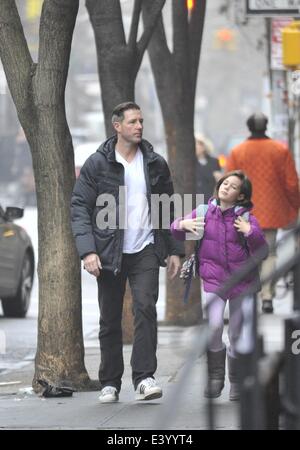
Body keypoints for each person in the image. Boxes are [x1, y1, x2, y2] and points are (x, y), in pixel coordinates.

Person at [71, 102, 184, 403]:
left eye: (141, 121)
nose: (139, 126)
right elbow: (80, 206)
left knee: (145, 308)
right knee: (109, 318)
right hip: (109, 251)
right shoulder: (97, 164)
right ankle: (110, 381)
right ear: (117, 126)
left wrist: (174, 249)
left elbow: (166, 208)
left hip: (145, 247)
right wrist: (87, 252)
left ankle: (145, 377)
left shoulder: (155, 163)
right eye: (133, 121)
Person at [171, 171, 268, 400]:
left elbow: (262, 251)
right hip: (214, 281)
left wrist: (250, 232)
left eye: (233, 186)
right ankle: (216, 378)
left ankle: (236, 382)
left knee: (236, 332)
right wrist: (181, 223)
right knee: (214, 327)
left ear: (241, 196)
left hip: (242, 283)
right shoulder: (205, 211)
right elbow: (174, 229)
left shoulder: (245, 218)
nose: (226, 187)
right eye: (225, 183)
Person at [226, 113, 300, 313]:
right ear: (266, 126)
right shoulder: (280, 150)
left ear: (249, 127)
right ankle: (267, 296)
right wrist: (294, 207)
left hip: (243, 213)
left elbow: (228, 184)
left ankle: (248, 293)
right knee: (269, 254)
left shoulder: (237, 151)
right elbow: (292, 184)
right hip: (271, 212)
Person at [195, 134, 222, 203]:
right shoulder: (191, 163)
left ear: (204, 146)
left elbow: (219, 181)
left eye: (198, 144)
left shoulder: (214, 161)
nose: (195, 147)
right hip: (196, 200)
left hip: (211, 199)